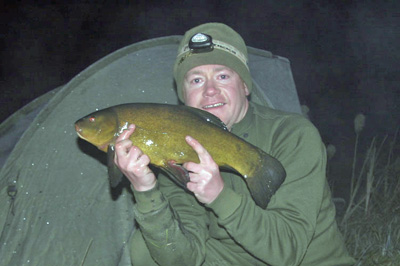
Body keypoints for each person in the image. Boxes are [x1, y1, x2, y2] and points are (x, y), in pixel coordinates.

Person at [114, 23, 355, 265]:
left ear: (245, 85)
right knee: (146, 248)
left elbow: (287, 250)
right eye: (196, 80)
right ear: (183, 96)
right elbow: (181, 259)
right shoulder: (175, 151)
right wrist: (146, 191)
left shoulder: (292, 134)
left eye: (222, 76)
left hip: (306, 261)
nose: (210, 90)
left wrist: (218, 195)